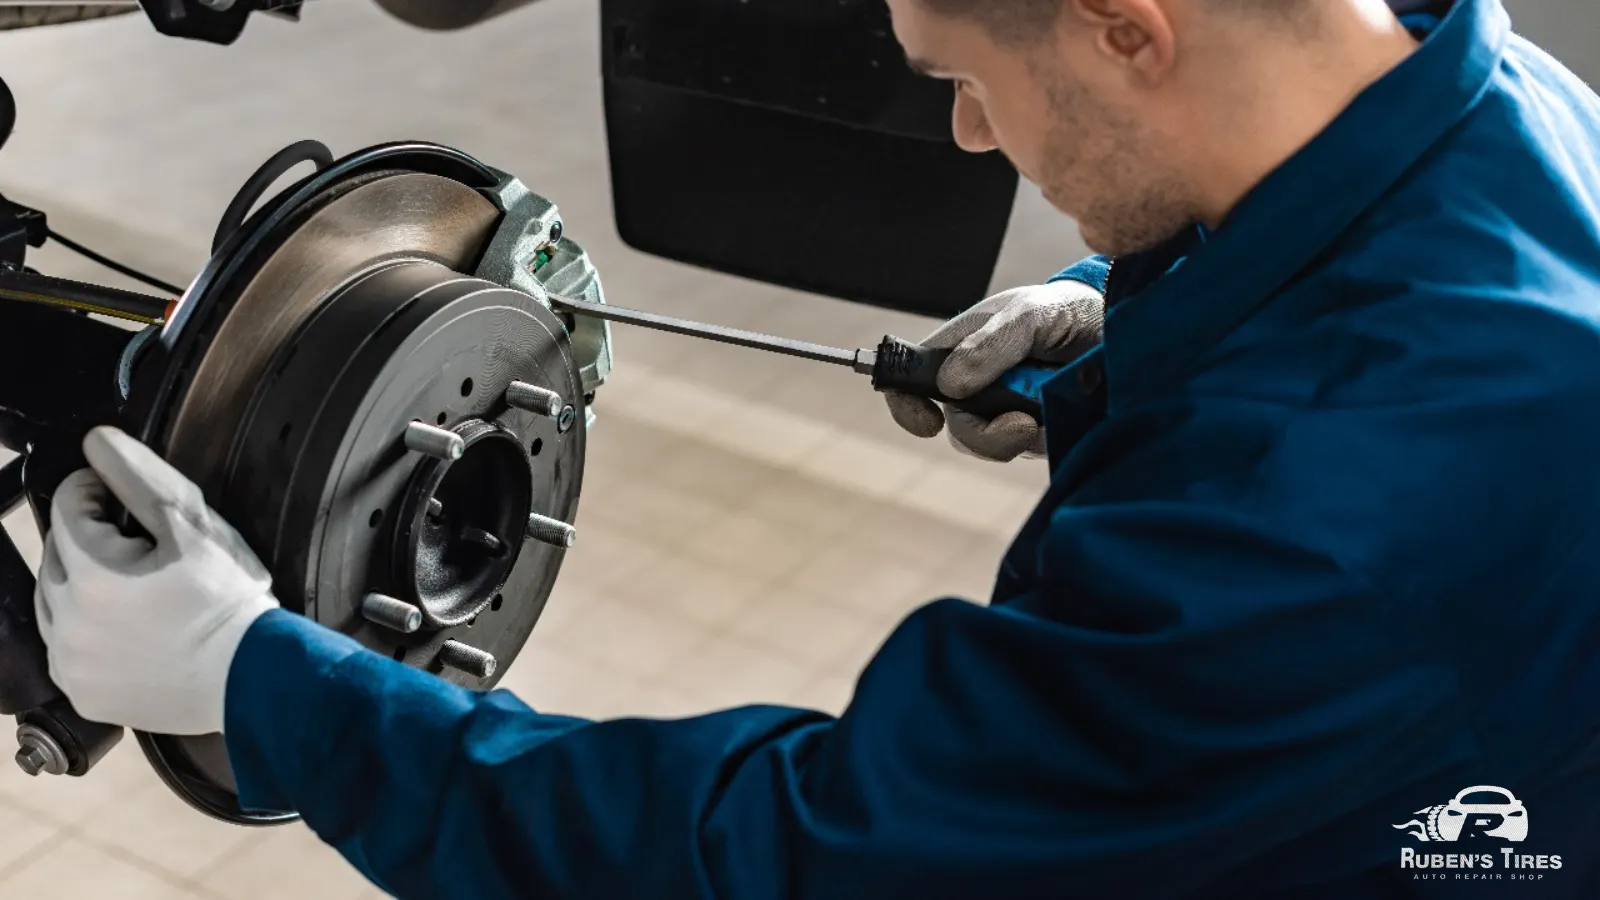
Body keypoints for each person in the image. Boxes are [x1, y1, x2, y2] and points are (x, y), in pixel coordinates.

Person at [33, 0, 1600, 896]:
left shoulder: (1325, 534)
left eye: (971, 80)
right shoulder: (1506, 104)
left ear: (1131, 28)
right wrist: (1127, 337)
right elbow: (1363, 357)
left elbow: (797, 868)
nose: (978, 137)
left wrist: (255, 682)